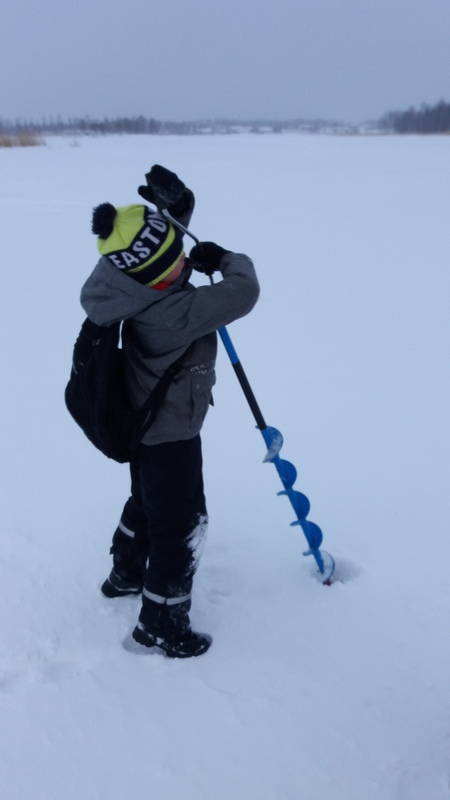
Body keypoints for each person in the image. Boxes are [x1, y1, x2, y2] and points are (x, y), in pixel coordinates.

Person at [80, 165, 259, 658]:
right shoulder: (176, 313)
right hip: (172, 433)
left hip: (142, 423)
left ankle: (125, 573)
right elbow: (243, 291)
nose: (185, 261)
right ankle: (161, 623)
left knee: (147, 502)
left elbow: (152, 256)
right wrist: (224, 258)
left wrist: (177, 213)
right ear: (160, 276)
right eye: (178, 259)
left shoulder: (121, 282)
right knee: (180, 525)